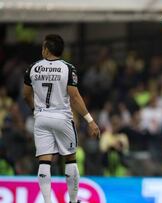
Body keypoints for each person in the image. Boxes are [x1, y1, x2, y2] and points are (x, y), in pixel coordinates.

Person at [23, 34, 100, 203]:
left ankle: (48, 201)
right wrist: (90, 120)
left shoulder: (33, 68)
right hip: (62, 118)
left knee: (44, 161)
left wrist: (34, 108)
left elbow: (26, 94)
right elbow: (75, 97)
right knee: (70, 158)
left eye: (43, 47)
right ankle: (73, 201)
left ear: (47, 49)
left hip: (41, 118)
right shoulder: (68, 68)